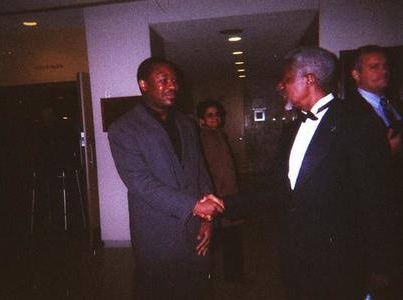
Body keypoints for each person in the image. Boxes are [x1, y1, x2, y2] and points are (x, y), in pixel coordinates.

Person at [206, 46, 394, 299]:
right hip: (297, 257)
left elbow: (377, 199)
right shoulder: (292, 129)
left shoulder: (358, 122)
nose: (280, 87)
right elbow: (277, 189)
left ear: (309, 79)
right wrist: (222, 205)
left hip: (341, 260)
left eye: (285, 79)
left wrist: (380, 265)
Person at [108, 57, 224, 299]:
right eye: (163, 80)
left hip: (196, 231)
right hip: (157, 235)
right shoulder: (124, 128)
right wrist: (193, 205)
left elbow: (201, 171)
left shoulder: (187, 123)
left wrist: (208, 219)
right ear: (143, 84)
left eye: (174, 80)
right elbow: (139, 182)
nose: (173, 86)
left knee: (199, 290)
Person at [350, 44, 403, 296]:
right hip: (371, 214)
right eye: (374, 67)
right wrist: (386, 153)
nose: (383, 71)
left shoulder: (391, 104)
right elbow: (351, 168)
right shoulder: (349, 112)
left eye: (385, 66)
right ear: (356, 74)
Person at [196, 99, 246, 282]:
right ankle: (224, 277)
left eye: (217, 114)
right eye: (210, 115)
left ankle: (234, 276)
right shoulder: (203, 138)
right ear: (201, 119)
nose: (215, 118)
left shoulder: (219, 135)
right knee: (222, 238)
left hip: (229, 194)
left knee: (232, 237)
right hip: (218, 197)